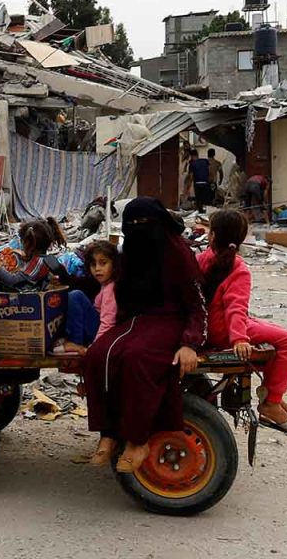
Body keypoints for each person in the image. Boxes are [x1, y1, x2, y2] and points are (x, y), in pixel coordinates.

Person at [81, 198, 207, 472]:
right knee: (97, 355)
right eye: (132, 224)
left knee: (137, 357)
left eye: (144, 223)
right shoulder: (131, 253)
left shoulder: (177, 252)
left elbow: (196, 304)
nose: (138, 229)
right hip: (135, 321)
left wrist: (189, 343)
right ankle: (109, 433)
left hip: (170, 320)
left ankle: (138, 440)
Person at [197, 209, 287, 435]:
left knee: (273, 331)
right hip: (224, 330)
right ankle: (272, 402)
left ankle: (272, 391)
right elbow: (235, 308)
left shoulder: (201, 259)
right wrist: (239, 339)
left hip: (206, 328)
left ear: (212, 236)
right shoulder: (238, 269)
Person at [62, 241, 118, 357]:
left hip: (102, 336)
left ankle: (75, 342)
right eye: (93, 264)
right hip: (98, 332)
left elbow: (107, 323)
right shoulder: (105, 285)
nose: (97, 269)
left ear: (114, 265)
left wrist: (95, 347)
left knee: (76, 296)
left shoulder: (110, 289)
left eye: (103, 263)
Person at [0, 218, 66, 291]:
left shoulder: (35, 264)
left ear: (28, 243)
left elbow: (12, 280)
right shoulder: (45, 259)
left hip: (25, 298)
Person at [187, 149, 212, 214]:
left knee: (199, 200)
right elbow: (210, 172)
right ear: (197, 155)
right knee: (206, 199)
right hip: (206, 183)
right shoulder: (205, 161)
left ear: (191, 156)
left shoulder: (192, 164)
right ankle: (207, 213)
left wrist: (188, 187)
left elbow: (191, 176)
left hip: (197, 183)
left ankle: (200, 213)